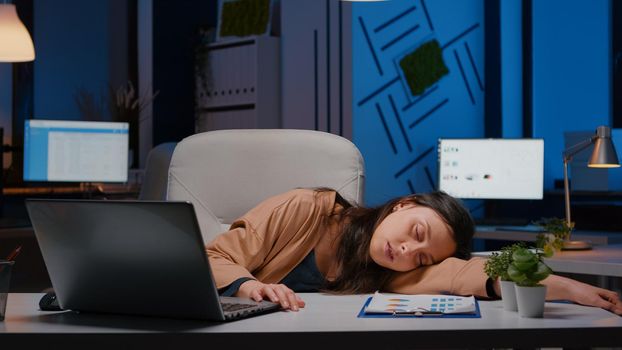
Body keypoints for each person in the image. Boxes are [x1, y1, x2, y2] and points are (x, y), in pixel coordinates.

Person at [206, 188, 622, 314]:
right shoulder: (306, 207)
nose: (407, 250)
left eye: (422, 256)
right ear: (403, 204)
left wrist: (564, 285)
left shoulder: (392, 269)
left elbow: (465, 276)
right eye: (416, 231)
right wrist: (248, 287)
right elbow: (212, 258)